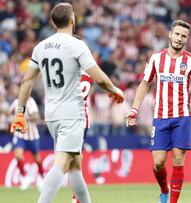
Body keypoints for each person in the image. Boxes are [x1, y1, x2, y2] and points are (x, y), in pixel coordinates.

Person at [9, 3, 124, 203]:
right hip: (72, 113)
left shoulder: (40, 47)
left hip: (52, 115)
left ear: (53, 22)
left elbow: (26, 80)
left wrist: (20, 112)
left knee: (74, 166)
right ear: (73, 20)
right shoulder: (76, 45)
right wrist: (114, 89)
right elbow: (100, 78)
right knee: (62, 163)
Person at [125, 20, 191, 203]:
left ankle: (172, 201)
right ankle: (164, 190)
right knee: (158, 163)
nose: (179, 39)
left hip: (182, 117)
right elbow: (144, 84)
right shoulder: (156, 58)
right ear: (170, 34)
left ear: (187, 39)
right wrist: (134, 109)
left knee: (178, 159)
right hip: (161, 117)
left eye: (183, 36)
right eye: (177, 34)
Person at [9, 94, 44, 190]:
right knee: (17, 155)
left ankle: (41, 178)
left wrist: (25, 118)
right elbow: (9, 112)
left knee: (37, 159)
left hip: (32, 135)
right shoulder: (16, 102)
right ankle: (24, 177)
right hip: (19, 134)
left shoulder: (31, 101)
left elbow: (36, 116)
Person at [72, 71, 93, 203]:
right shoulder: (89, 75)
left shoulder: (68, 71)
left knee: (73, 158)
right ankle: (77, 196)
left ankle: (76, 197)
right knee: (74, 158)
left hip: (72, 120)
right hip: (82, 119)